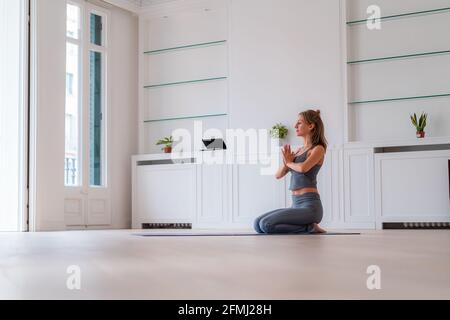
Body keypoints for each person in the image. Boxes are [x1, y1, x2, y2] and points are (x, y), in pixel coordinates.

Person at [254, 109, 328, 234]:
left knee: (266, 225)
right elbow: (278, 175)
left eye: (299, 123)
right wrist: (286, 162)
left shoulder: (318, 149)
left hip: (310, 207)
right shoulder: (299, 151)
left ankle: (309, 228)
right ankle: (308, 227)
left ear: (311, 126)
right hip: (296, 204)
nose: (295, 126)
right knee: (257, 224)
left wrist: (289, 163)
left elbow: (303, 168)